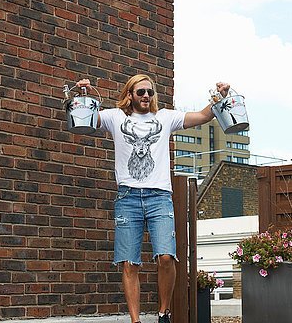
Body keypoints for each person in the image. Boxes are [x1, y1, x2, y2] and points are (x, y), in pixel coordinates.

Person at [76, 75, 230, 323]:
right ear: (130, 94)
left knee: (166, 257)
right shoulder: (116, 117)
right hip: (128, 197)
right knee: (129, 263)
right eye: (140, 92)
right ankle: (135, 320)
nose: (146, 96)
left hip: (160, 197)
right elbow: (86, 118)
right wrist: (84, 93)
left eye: (149, 92)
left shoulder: (166, 118)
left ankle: (163, 313)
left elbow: (202, 116)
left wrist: (220, 97)